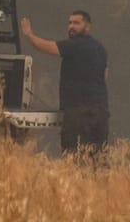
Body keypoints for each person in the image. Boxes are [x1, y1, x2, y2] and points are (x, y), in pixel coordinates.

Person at [22, 10, 109, 158]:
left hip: (78, 113)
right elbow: (105, 75)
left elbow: (47, 47)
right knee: (97, 159)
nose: (71, 26)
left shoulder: (75, 45)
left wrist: (29, 34)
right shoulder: (100, 48)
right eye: (69, 23)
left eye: (76, 23)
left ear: (87, 27)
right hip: (100, 113)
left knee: (73, 156)